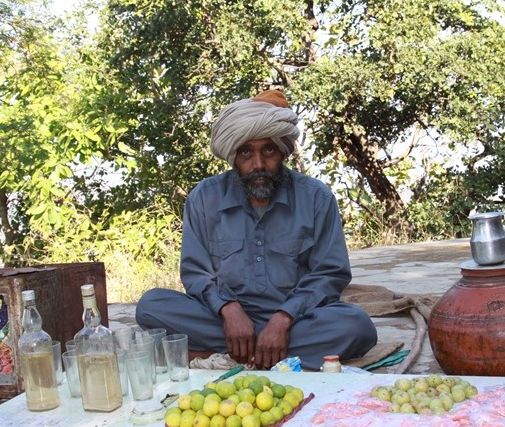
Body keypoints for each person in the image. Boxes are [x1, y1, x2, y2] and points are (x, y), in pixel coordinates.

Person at [136, 89, 378, 370]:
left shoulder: (316, 197)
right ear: (233, 156)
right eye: (246, 152)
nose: (259, 164)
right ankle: (267, 354)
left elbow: (330, 274)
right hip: (223, 320)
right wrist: (228, 310)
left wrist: (283, 319)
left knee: (356, 326)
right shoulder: (204, 198)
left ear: (284, 151)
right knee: (151, 305)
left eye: (269, 150)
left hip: (297, 321)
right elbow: (196, 274)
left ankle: (229, 355)